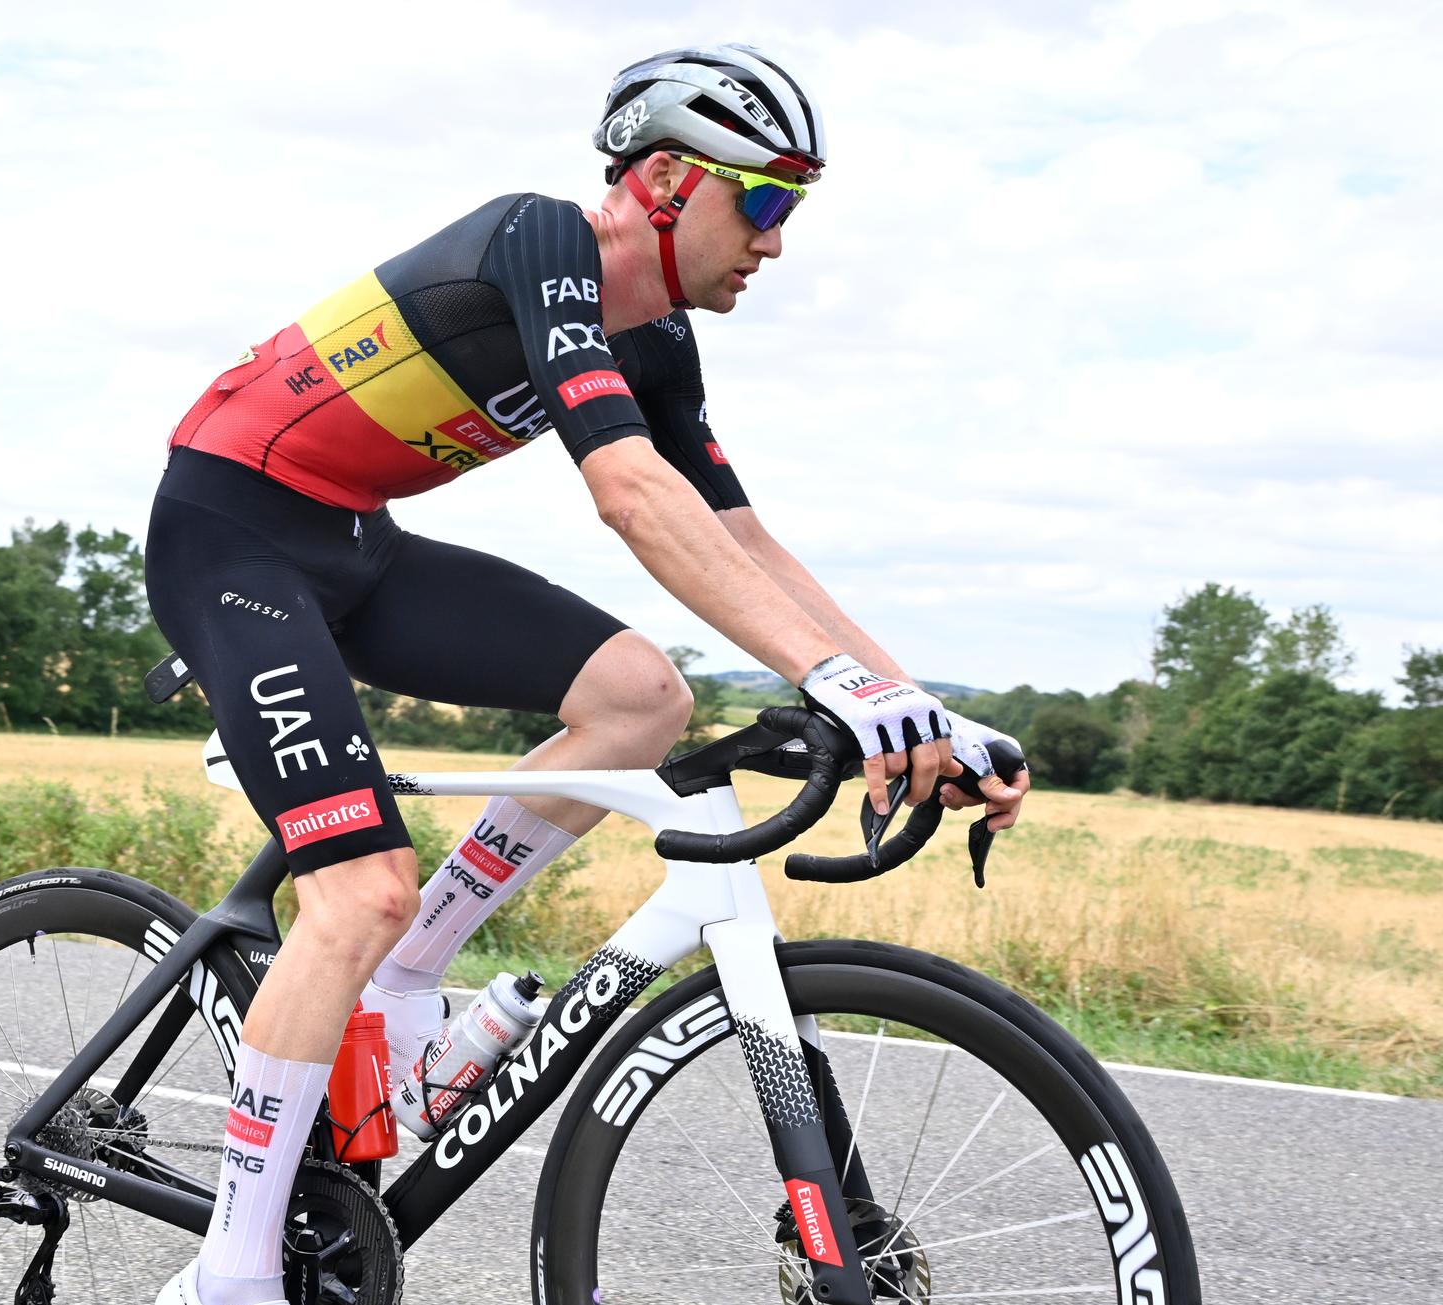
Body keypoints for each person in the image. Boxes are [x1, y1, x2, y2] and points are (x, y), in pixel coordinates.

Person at [147, 43, 1031, 1305]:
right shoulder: (540, 238)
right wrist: (849, 684)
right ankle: (228, 1275)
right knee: (358, 892)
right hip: (231, 534)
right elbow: (627, 493)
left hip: (357, 543)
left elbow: (736, 536)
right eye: (765, 200)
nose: (777, 241)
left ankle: (407, 991)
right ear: (666, 181)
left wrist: (915, 704)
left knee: (639, 695)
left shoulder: (656, 337)